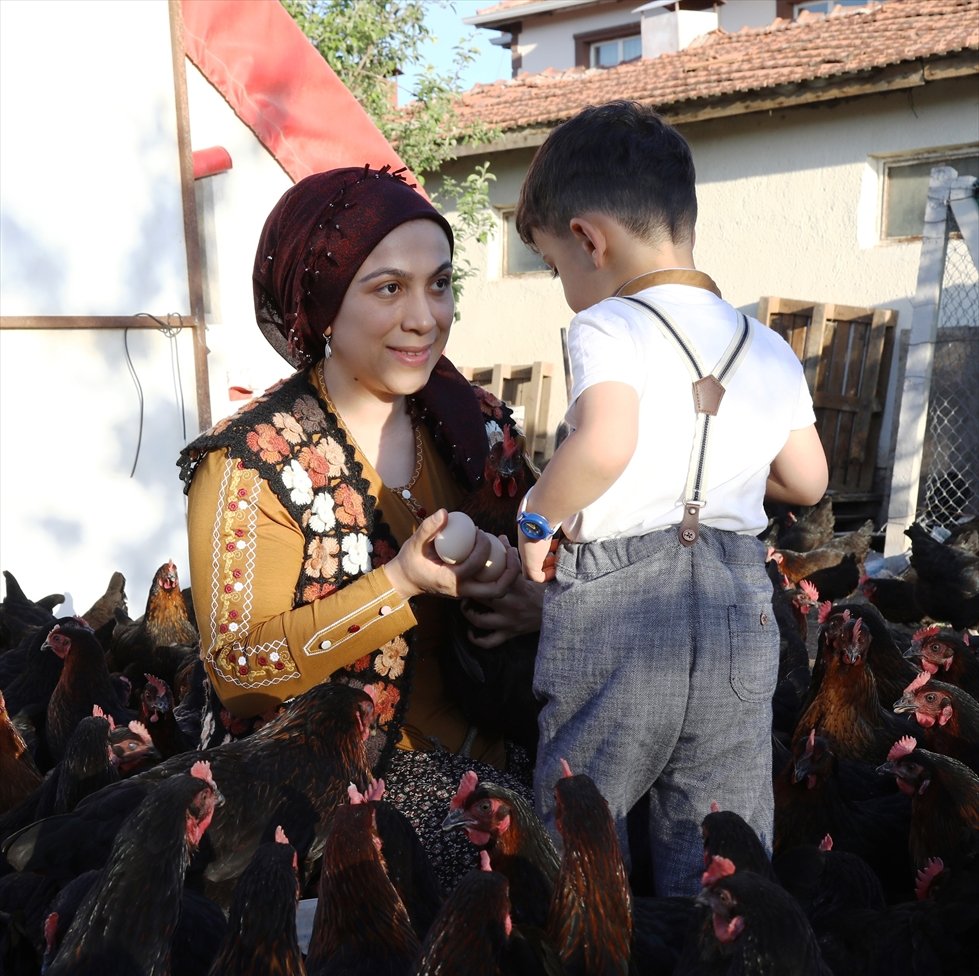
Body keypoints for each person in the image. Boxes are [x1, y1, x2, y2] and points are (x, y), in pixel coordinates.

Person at [177, 165, 541, 887]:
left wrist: (531, 603)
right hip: (327, 794)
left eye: (440, 285)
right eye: (388, 289)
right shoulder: (251, 464)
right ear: (320, 306)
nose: (424, 317)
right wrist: (399, 583)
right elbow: (240, 675)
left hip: (494, 760)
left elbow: (550, 566)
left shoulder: (478, 425)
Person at [513, 101, 829, 898]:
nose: (565, 289)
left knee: (583, 823)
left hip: (620, 609)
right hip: (736, 609)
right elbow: (807, 481)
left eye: (555, 269)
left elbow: (604, 443)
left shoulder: (607, 325)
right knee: (718, 836)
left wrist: (536, 515)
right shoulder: (765, 343)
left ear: (588, 238)